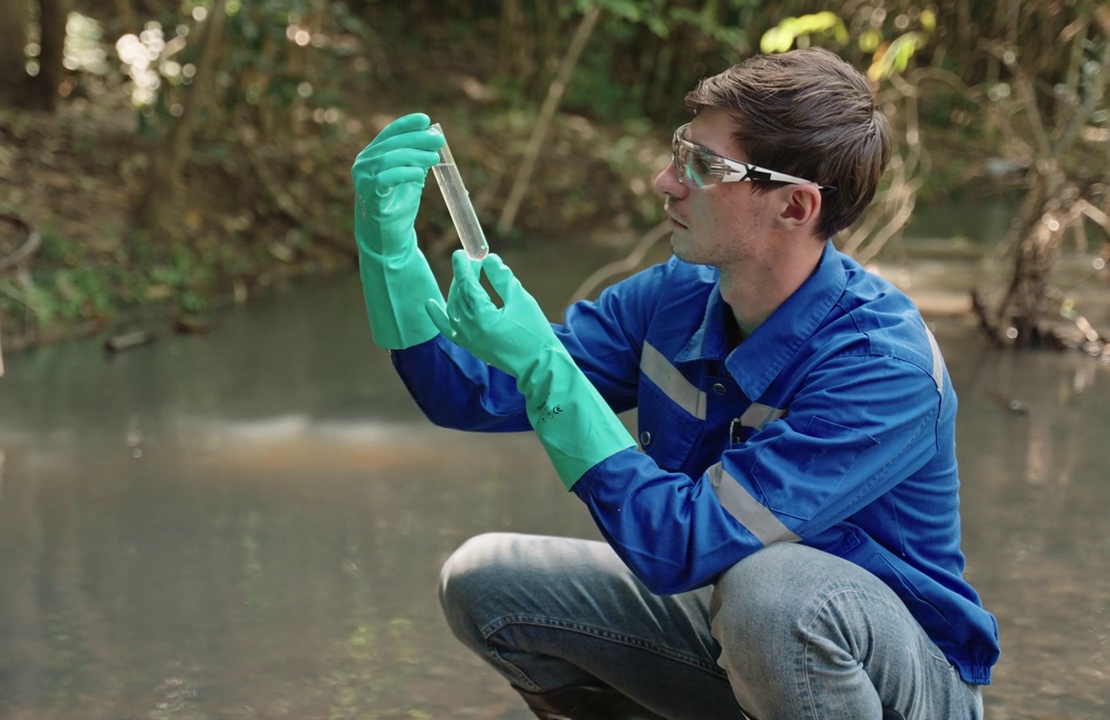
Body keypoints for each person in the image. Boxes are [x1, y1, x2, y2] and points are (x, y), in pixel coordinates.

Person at [349, 47, 998, 720]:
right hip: (728, 622)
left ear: (795, 206)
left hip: (895, 676)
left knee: (774, 595)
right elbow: (471, 390)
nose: (666, 180)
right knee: (486, 580)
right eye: (680, 151)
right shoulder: (677, 296)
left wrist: (549, 370)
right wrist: (390, 249)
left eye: (704, 167)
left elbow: (681, 544)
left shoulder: (881, 366)